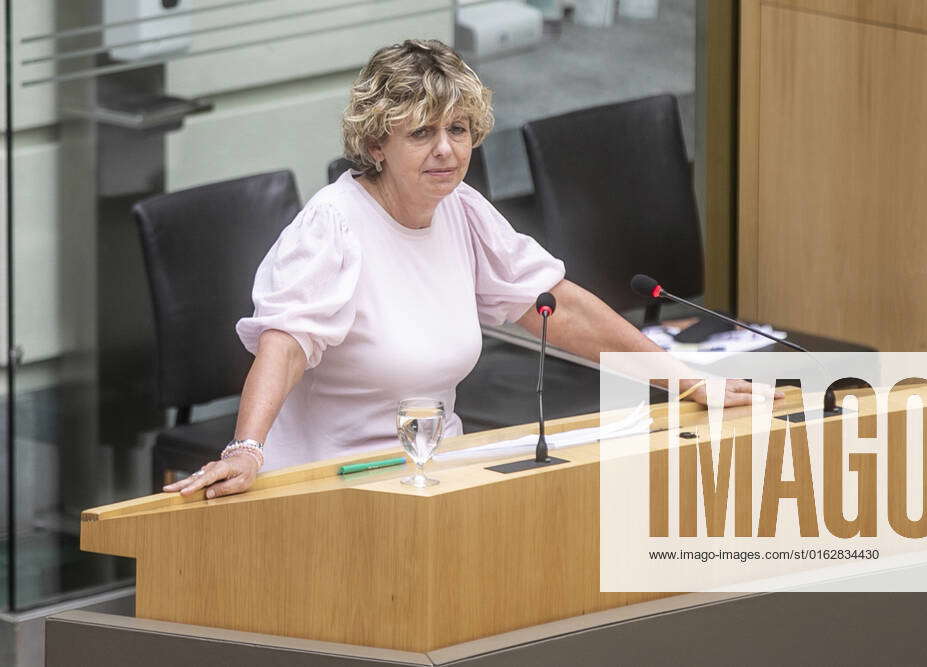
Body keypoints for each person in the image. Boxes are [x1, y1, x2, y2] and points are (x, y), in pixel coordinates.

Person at [165, 39, 762, 500]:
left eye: (458, 129)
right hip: (331, 486)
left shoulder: (462, 212)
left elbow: (555, 303)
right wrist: (246, 448)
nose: (446, 150)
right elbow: (287, 342)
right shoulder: (335, 225)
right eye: (421, 133)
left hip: (433, 475)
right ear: (376, 144)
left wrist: (685, 380)